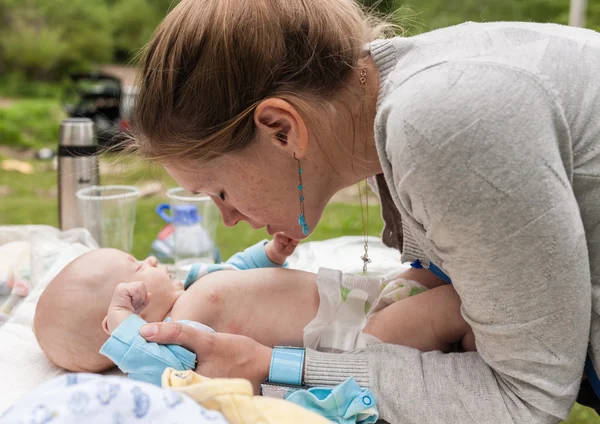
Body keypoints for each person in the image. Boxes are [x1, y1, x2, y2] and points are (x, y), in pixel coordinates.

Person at [129, 0, 600, 422]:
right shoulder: (395, 98)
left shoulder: (441, 125)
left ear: (280, 129)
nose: (228, 219)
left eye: (221, 192)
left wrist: (275, 367)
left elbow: (524, 401)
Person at [33, 239, 474, 389]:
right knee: (450, 308)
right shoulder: (175, 337)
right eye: (135, 267)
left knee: (432, 271)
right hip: (361, 337)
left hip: (365, 298)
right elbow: (160, 370)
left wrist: (267, 252)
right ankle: (479, 333)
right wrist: (123, 327)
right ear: (123, 316)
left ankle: (473, 325)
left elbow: (238, 270)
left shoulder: (191, 285)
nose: (149, 261)